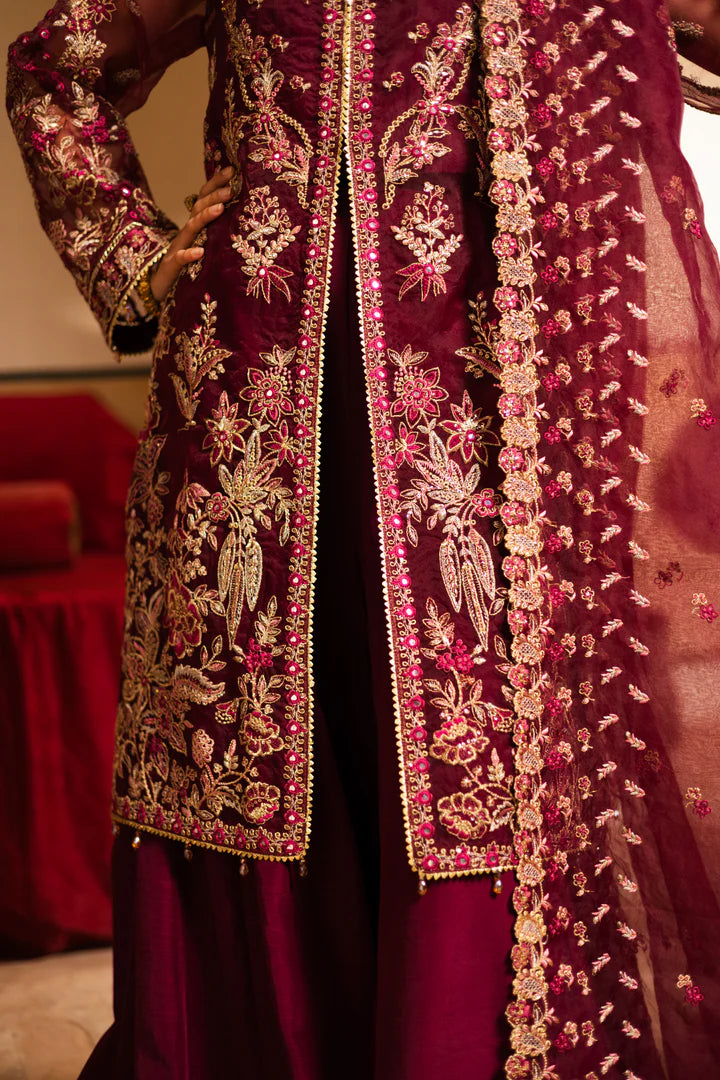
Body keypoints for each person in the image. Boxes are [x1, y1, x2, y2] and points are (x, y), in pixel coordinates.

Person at [6, 0, 720, 1076]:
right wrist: (133, 256)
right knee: (251, 749)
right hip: (246, 437)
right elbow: (54, 68)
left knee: (465, 766)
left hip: (476, 446)